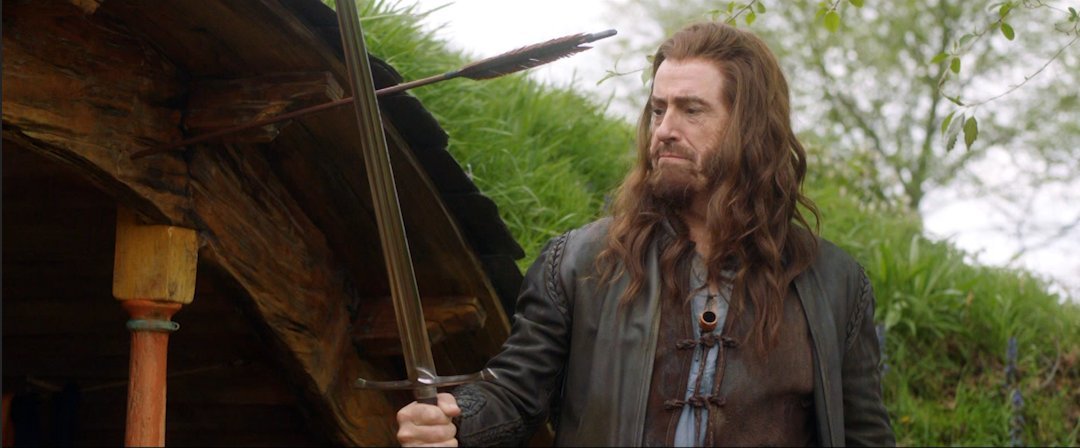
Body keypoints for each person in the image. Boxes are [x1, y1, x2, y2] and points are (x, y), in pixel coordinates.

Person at [396, 21, 895, 447]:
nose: (664, 130)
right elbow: (514, 393)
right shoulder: (582, 261)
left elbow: (864, 436)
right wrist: (456, 422)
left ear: (751, 128)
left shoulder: (834, 284)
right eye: (659, 109)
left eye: (691, 110)